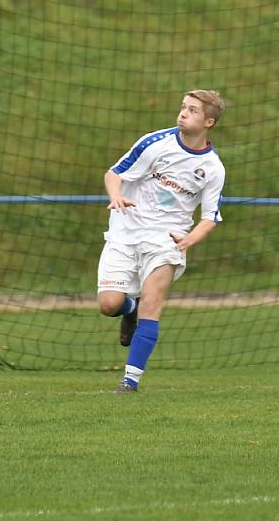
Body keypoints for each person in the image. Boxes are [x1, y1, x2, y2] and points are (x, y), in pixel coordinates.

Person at [97, 90, 226, 392]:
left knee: (152, 304)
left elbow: (210, 217)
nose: (183, 113)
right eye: (183, 107)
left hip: (166, 239)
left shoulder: (213, 168)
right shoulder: (155, 142)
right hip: (125, 232)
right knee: (108, 304)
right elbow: (114, 173)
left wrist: (189, 240)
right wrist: (116, 195)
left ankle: (130, 381)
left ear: (209, 121)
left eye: (192, 110)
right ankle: (129, 309)